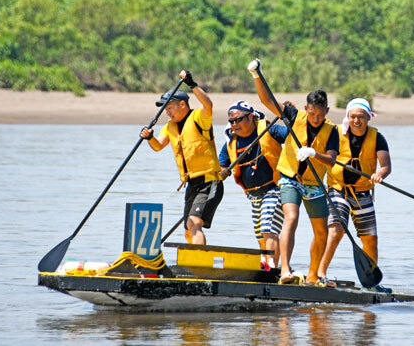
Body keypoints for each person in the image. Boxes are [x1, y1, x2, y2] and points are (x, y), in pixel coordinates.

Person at [248, 59, 339, 286]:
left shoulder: (332, 130)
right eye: (312, 113)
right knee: (292, 217)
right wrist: (257, 75)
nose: (316, 118)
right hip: (290, 178)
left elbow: (331, 161)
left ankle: (312, 275)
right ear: (306, 108)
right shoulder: (293, 115)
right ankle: (285, 271)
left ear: (326, 111)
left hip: (314, 184)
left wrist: (314, 154)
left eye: (320, 114)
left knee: (321, 231)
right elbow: (266, 100)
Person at [140, 70, 224, 245]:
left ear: (183, 105)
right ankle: (193, 260)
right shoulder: (170, 127)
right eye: (166, 109)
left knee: (194, 223)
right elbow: (157, 146)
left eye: (170, 107)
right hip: (192, 184)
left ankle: (199, 265)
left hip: (209, 181)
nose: (168, 112)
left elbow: (208, 104)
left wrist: (192, 84)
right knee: (188, 228)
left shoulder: (198, 117)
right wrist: (149, 137)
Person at [318, 98, 392, 291]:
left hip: (362, 193)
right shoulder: (336, 134)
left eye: (361, 117)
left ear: (368, 117)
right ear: (347, 117)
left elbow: (386, 166)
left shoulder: (377, 137)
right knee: (337, 229)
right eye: (352, 116)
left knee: (370, 239)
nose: (356, 121)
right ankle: (321, 274)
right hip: (337, 189)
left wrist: (379, 175)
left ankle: (372, 285)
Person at [218, 100, 288, 269]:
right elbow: (222, 165)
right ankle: (266, 265)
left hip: (275, 189)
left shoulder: (268, 129)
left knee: (268, 227)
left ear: (250, 117)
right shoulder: (231, 142)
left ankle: (271, 267)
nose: (234, 124)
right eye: (232, 121)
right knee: (260, 233)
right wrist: (223, 172)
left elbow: (295, 135)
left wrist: (289, 116)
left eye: (238, 119)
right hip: (253, 196)